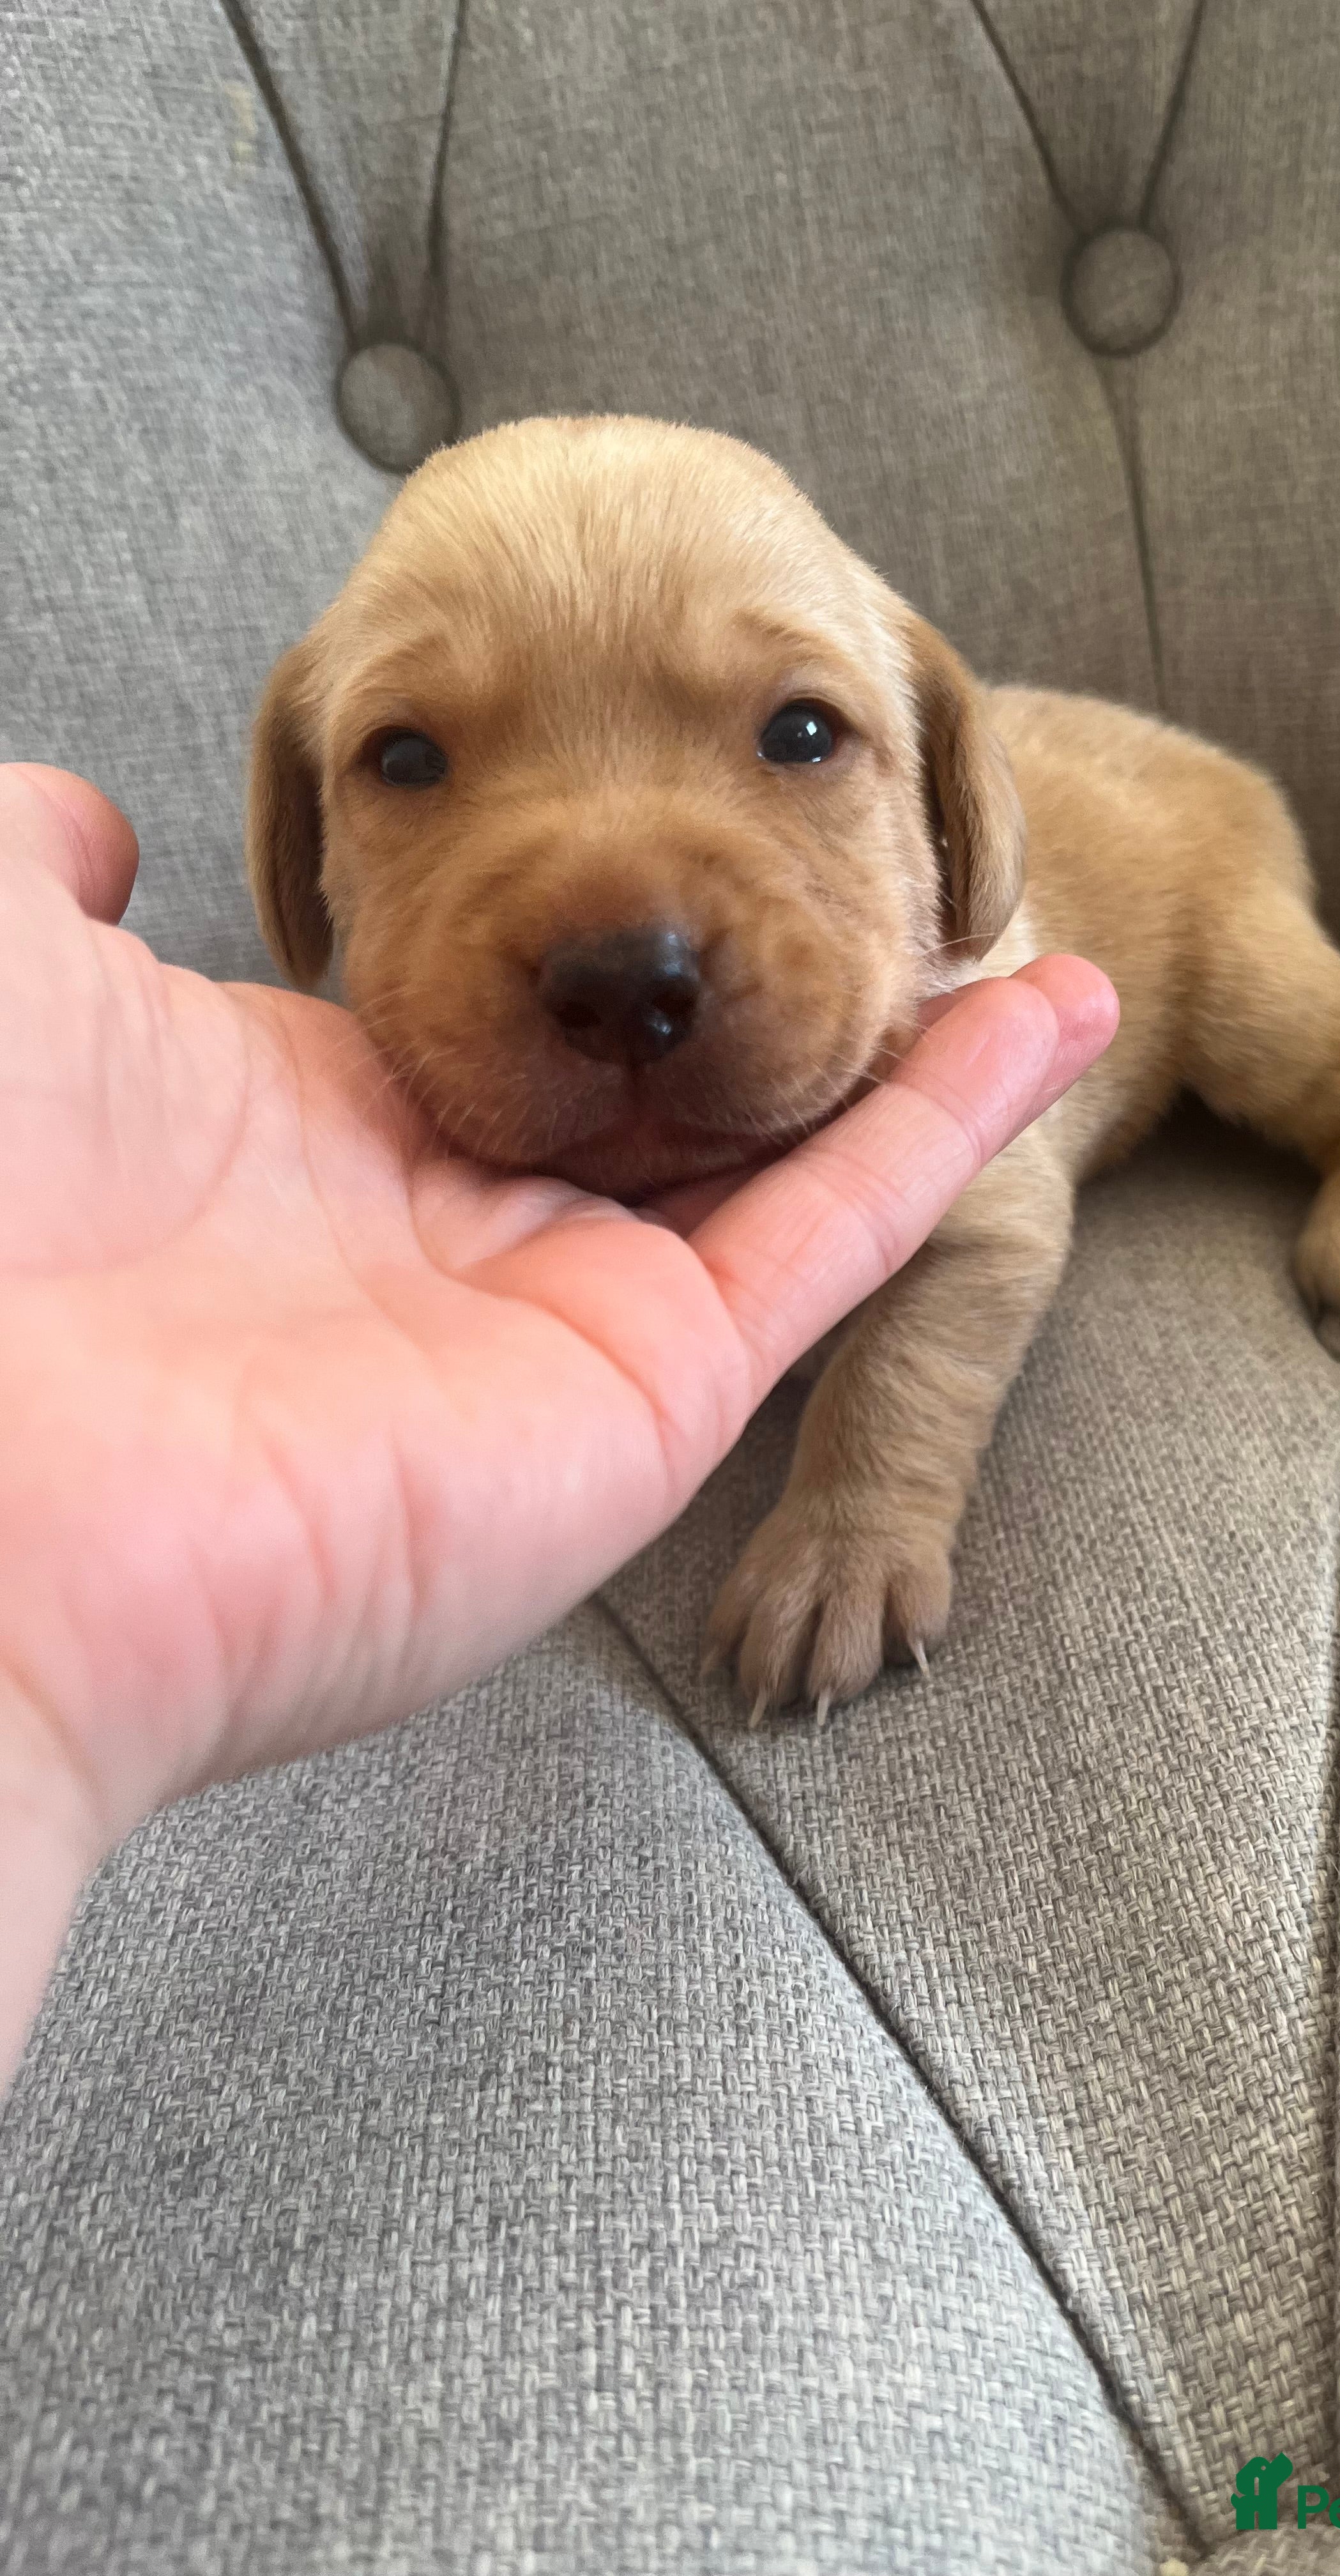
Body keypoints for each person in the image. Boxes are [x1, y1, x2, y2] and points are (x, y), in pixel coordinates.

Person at [0, 763, 1116, 2093]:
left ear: (956, 813)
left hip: (1152, 848)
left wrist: (871, 1495)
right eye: (413, 760)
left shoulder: (937, 1001)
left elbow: (989, 1229)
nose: (618, 930)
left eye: (801, 732)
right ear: (294, 858)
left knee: (1277, 1021)